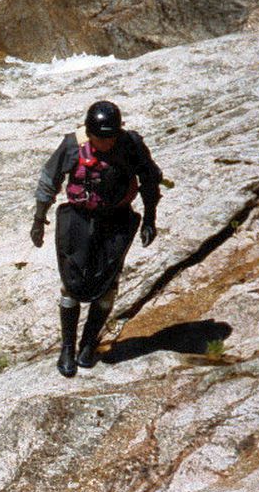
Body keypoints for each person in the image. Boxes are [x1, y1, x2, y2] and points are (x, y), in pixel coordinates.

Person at [30, 99, 162, 377]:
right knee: (72, 281)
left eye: (110, 137)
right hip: (78, 218)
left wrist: (149, 217)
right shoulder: (72, 145)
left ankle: (88, 343)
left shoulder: (130, 144)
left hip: (116, 219)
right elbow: (48, 180)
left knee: (107, 283)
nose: (106, 144)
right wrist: (38, 220)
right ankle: (67, 347)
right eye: (100, 138)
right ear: (89, 133)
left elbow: (150, 178)